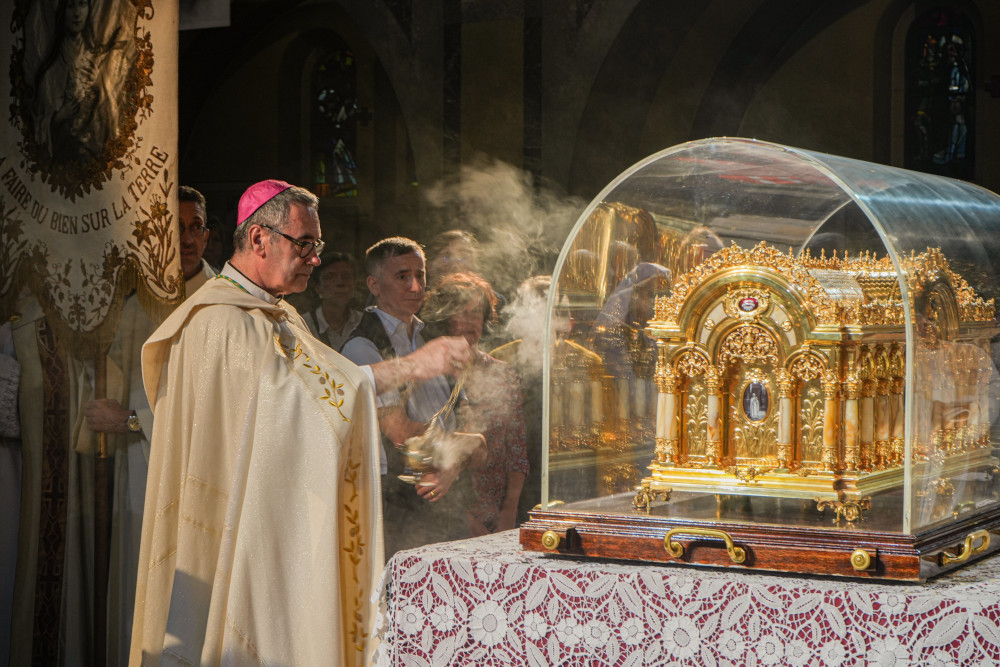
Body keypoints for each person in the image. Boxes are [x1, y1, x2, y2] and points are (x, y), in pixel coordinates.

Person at [130, 180, 385, 665]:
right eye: (304, 243)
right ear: (259, 240)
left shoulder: (279, 313)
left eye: (318, 245)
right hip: (233, 530)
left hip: (276, 525)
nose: (315, 258)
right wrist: (400, 373)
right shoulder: (219, 322)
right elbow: (297, 415)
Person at [81, 185, 214, 665]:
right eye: (173, 228)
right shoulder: (133, 308)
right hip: (139, 473)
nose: (186, 238)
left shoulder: (224, 307)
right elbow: (105, 396)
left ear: (208, 234)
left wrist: (133, 419)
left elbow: (217, 404)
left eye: (194, 226)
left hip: (203, 479)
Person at [341, 237, 486, 557]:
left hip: (443, 497)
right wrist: (468, 443)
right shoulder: (363, 346)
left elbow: (456, 416)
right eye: (402, 276)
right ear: (374, 284)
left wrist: (457, 461)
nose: (416, 286)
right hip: (399, 506)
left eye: (420, 275)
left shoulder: (428, 336)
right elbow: (401, 433)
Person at [423, 273, 528, 535]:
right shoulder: (429, 370)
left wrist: (508, 513)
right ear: (445, 318)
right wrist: (464, 517)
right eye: (462, 313)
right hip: (447, 513)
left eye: (476, 313)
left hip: (498, 513)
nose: (471, 322)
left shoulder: (502, 373)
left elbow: (517, 450)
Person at [32, 0, 134, 163]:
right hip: (64, 162)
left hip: (94, 159)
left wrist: (98, 88)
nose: (77, 13)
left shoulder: (99, 63)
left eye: (82, 4)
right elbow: (36, 129)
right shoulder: (50, 74)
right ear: (62, 12)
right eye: (71, 6)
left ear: (89, 9)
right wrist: (58, 117)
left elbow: (114, 122)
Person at [303, 251, 363, 351]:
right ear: (318, 287)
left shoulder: (363, 322)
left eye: (346, 276)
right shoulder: (305, 325)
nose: (340, 283)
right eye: (331, 277)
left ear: (354, 284)